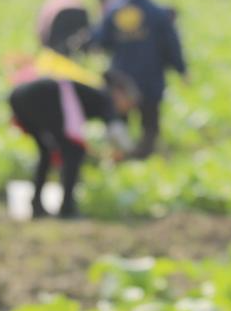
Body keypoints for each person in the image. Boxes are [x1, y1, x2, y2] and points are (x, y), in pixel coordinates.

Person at [9, 71, 138, 218]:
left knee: (47, 152)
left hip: (19, 97)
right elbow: (116, 131)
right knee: (74, 152)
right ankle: (67, 208)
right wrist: (130, 152)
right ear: (120, 93)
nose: (127, 108)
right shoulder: (105, 98)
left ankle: (37, 205)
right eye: (129, 102)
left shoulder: (92, 91)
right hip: (42, 97)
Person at [96, 0, 188, 159]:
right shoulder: (157, 13)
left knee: (120, 124)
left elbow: (100, 40)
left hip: (121, 81)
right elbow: (171, 44)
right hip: (150, 79)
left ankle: (121, 161)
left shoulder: (114, 10)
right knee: (149, 126)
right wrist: (181, 70)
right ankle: (144, 160)